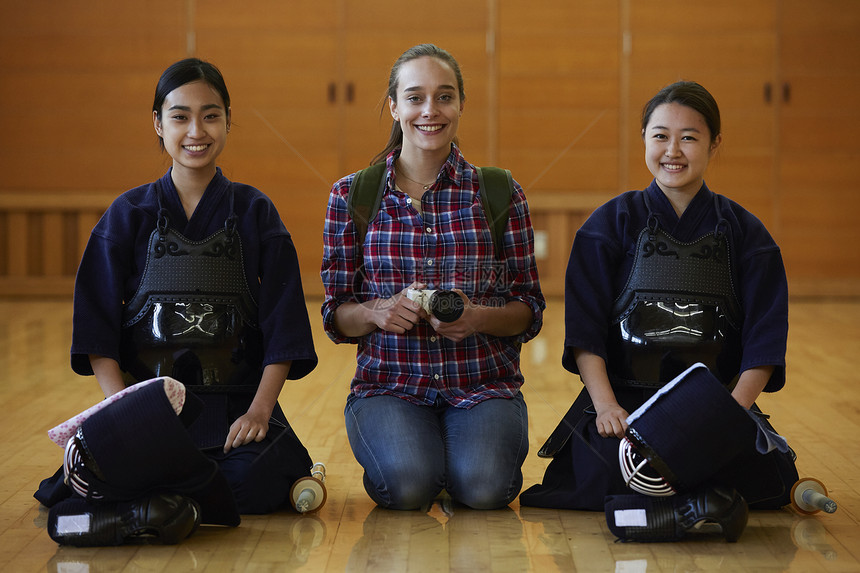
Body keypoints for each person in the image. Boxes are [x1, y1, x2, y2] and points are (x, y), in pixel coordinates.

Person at [38, 58, 318, 519]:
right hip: (148, 408)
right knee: (97, 475)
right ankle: (175, 493)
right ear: (158, 123)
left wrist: (260, 412)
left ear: (229, 119)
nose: (196, 131)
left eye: (211, 115)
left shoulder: (256, 212)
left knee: (249, 482)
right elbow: (97, 333)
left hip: (235, 406)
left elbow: (284, 325)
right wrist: (125, 415)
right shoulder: (126, 214)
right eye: (180, 116)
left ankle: (156, 499)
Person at [519, 81, 798, 536]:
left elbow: (764, 343)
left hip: (716, 403)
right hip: (625, 404)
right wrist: (605, 406)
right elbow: (585, 331)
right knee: (608, 470)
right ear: (644, 139)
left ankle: (681, 501)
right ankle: (698, 505)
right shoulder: (609, 224)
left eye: (689, 137)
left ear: (714, 143)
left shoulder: (748, 234)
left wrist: (726, 416)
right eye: (660, 135)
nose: (674, 150)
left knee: (770, 477)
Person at [321, 44, 545, 510]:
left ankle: (456, 463)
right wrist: (375, 312)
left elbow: (529, 309)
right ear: (394, 106)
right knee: (407, 487)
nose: (430, 111)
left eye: (444, 97)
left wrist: (478, 317)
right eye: (415, 97)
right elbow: (335, 315)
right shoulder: (351, 195)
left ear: (461, 104)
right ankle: (432, 463)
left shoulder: (500, 192)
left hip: (483, 384)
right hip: (390, 386)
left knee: (484, 490)